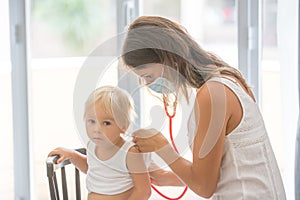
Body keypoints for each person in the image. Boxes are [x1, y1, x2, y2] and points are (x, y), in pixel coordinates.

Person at [121, 15, 286, 199]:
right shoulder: (224, 79)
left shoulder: (213, 95)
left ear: (169, 58)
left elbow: (204, 186)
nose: (148, 84)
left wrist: (162, 147)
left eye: (148, 76)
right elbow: (216, 171)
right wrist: (164, 177)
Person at [48, 86, 151, 200]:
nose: (96, 129)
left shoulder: (130, 153)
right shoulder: (92, 146)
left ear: (124, 126)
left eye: (106, 123)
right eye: (92, 121)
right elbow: (90, 168)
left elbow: (143, 191)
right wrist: (72, 155)